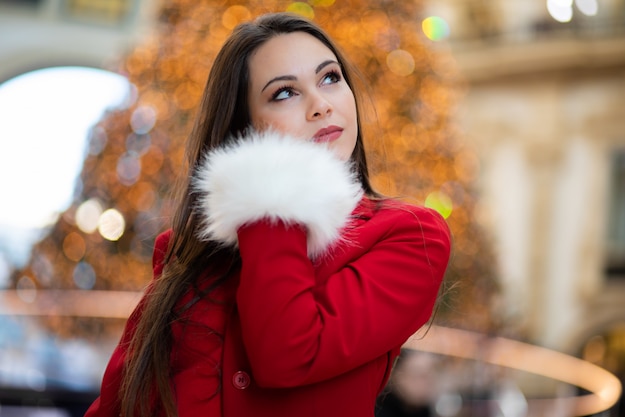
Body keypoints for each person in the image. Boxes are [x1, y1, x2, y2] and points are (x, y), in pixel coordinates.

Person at [85, 12, 451, 417]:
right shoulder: (185, 251)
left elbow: (289, 355)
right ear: (245, 130)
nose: (320, 106)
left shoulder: (411, 234)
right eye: (284, 94)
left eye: (330, 78)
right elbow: (122, 400)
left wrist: (273, 197)